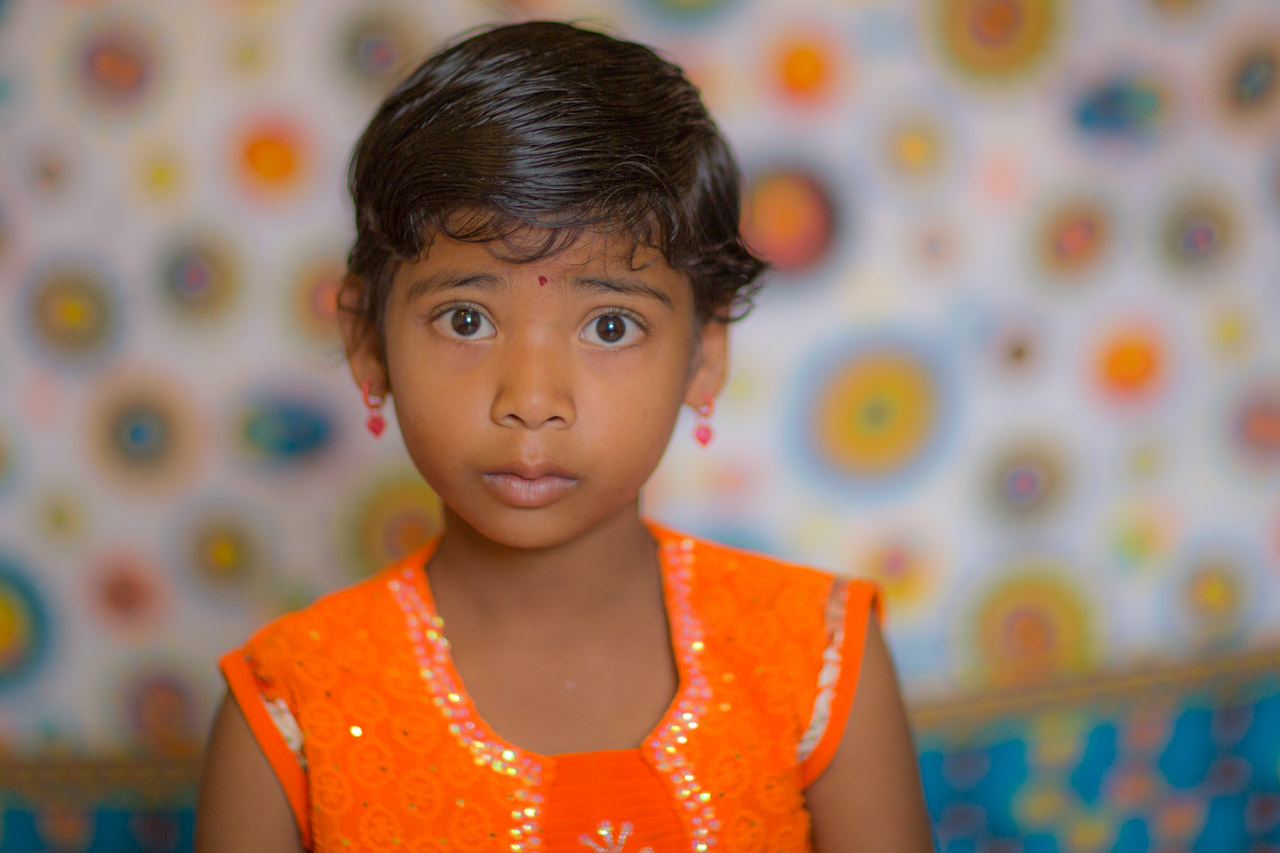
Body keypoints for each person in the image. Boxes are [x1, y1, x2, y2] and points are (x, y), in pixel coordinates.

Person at [196, 20, 935, 853]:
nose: (532, 400)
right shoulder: (289, 709)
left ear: (704, 353)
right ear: (369, 342)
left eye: (611, 325)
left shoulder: (820, 659)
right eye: (466, 319)